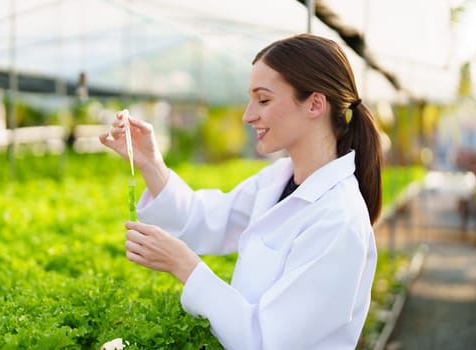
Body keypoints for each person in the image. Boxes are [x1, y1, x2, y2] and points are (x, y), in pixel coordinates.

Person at [99, 33, 382, 350]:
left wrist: (186, 267)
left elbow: (266, 341)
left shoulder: (338, 219)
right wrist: (150, 163)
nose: (248, 115)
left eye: (263, 100)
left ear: (315, 104)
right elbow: (204, 219)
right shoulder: (277, 180)